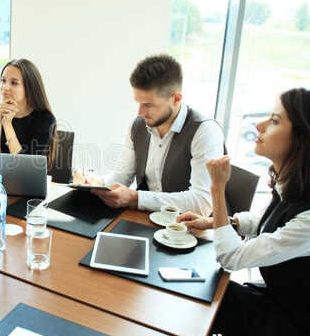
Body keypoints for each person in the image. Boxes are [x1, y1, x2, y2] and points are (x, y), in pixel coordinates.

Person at [176, 87, 310, 336]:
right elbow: (267, 222)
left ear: (304, 139)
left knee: (204, 301)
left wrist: (217, 190)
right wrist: (224, 223)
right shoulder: (303, 192)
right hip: (289, 311)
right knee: (203, 297)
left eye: (274, 121)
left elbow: (231, 257)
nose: (259, 126)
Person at [86, 52, 223, 217]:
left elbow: (202, 204)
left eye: (148, 105)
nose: (140, 112)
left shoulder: (205, 131)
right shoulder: (137, 126)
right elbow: (122, 175)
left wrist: (136, 198)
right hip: (148, 221)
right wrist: (97, 185)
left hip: (189, 231)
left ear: (176, 99)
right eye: (139, 103)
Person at [0, 58, 56, 162]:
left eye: (14, 83)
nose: (5, 87)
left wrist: (7, 125)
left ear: (29, 87)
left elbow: (26, 166)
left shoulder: (45, 119)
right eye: (3, 81)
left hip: (27, 178)